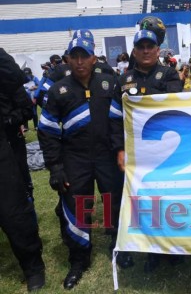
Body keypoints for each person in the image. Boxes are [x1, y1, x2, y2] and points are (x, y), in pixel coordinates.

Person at [38, 38, 128, 289]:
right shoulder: (58, 90)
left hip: (107, 156)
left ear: (93, 57)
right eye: (74, 56)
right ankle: (79, 259)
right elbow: (46, 130)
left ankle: (118, 247)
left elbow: (117, 122)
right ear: (67, 58)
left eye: (84, 55)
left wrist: (120, 150)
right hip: (74, 158)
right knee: (77, 206)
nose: (79, 61)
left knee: (113, 200)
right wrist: (55, 167)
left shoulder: (109, 83)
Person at [110, 29, 183, 273]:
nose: (145, 51)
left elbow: (175, 101)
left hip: (168, 150)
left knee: (170, 199)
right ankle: (152, 251)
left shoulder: (170, 74)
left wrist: (140, 98)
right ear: (134, 51)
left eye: (150, 46)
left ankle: (173, 248)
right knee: (145, 203)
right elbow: (114, 119)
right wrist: (119, 150)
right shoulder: (123, 80)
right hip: (137, 154)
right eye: (140, 47)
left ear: (158, 50)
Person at [0, 48, 46, 292]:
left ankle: (33, 265)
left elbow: (24, 105)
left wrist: (10, 120)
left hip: (7, 145)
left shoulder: (7, 73)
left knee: (13, 208)